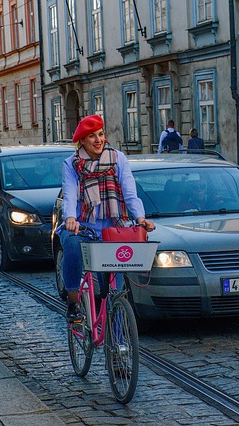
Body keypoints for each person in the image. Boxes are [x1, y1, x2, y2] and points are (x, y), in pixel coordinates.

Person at [59, 115, 155, 321]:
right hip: (83, 227)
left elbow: (130, 193)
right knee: (72, 245)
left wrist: (140, 218)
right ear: (82, 141)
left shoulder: (118, 158)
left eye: (101, 134)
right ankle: (74, 301)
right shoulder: (71, 164)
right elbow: (70, 194)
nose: (98, 140)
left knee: (115, 291)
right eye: (91, 136)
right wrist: (70, 218)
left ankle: (119, 338)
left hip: (113, 229)